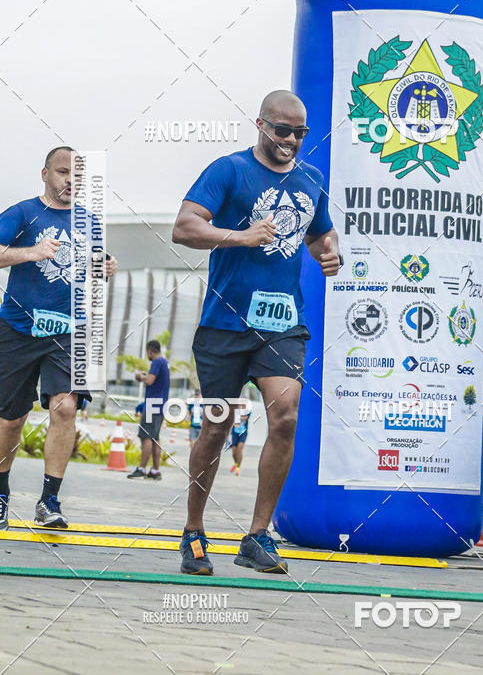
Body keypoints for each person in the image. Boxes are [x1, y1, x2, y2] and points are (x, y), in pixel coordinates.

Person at [172, 89, 342, 575]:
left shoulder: (312, 180)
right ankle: (193, 531)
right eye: (282, 130)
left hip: (282, 323)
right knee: (217, 426)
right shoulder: (229, 169)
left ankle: (257, 536)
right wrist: (241, 236)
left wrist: (329, 252)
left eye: (300, 133)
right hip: (224, 323)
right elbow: (184, 228)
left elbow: (319, 233)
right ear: (261, 125)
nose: (291, 140)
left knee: (285, 415)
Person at [0, 146, 118, 530]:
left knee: (65, 408)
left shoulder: (91, 222)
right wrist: (31, 252)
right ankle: (1, 494)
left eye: (78, 176)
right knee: (10, 421)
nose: (71, 181)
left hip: (69, 332)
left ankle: (49, 500)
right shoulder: (22, 213)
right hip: (18, 328)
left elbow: (92, 267)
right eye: (64, 172)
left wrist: (105, 267)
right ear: (45, 174)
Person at [127, 340, 170, 481]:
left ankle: (141, 469)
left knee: (145, 437)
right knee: (155, 438)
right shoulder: (165, 363)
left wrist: (139, 376)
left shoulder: (157, 362)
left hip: (152, 405)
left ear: (150, 350)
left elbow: (150, 380)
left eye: (147, 352)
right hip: (161, 404)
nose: (148, 355)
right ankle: (155, 470)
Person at [229, 407, 251, 476]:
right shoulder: (235, 410)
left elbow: (245, 418)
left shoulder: (248, 411)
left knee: (239, 450)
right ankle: (236, 464)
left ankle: (238, 468)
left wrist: (238, 416)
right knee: (234, 452)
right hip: (235, 433)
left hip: (243, 433)